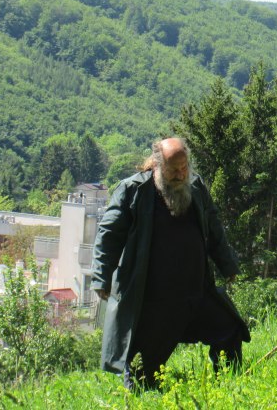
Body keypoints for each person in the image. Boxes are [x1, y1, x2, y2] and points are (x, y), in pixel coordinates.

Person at [91, 138, 250, 389]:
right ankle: (138, 396)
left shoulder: (196, 187)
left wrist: (227, 265)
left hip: (196, 290)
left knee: (229, 328)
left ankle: (229, 385)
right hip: (154, 300)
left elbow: (214, 229)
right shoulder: (133, 191)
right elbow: (109, 234)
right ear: (157, 164)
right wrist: (101, 277)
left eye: (184, 167)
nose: (180, 174)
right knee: (144, 374)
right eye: (173, 169)